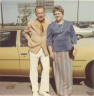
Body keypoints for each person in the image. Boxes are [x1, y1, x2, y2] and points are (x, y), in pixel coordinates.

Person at [47, 5, 77, 96]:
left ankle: (67, 91)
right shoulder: (51, 26)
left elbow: (73, 37)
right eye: (55, 14)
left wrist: (75, 48)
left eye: (59, 13)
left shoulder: (68, 24)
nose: (57, 15)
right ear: (54, 15)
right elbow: (48, 40)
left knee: (67, 73)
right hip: (56, 51)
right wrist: (51, 52)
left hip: (67, 51)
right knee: (58, 72)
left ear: (62, 14)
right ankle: (60, 92)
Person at [24, 6, 51, 96]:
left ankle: (43, 90)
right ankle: (35, 90)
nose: (40, 15)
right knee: (33, 70)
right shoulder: (30, 23)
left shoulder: (49, 23)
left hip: (45, 49)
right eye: (38, 13)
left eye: (42, 13)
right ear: (36, 14)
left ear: (45, 13)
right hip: (34, 49)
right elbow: (26, 33)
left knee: (46, 69)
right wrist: (29, 40)